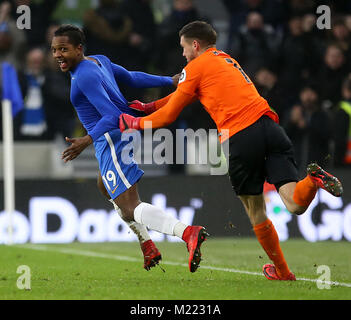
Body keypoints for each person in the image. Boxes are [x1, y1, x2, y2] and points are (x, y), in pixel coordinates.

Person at [119, 21, 343, 281]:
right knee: (294, 203)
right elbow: (184, 94)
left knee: (255, 211)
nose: (182, 54)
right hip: (271, 128)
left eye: (183, 48)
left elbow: (170, 115)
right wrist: (148, 107)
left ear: (195, 44)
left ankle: (282, 271)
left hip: (242, 136)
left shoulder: (196, 66)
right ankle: (313, 180)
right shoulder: (224, 59)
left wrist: (135, 123)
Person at [51, 24, 208, 273]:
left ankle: (187, 232)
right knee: (105, 185)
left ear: (79, 49)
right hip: (115, 135)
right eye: (55, 50)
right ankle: (147, 245)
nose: (58, 54)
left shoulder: (83, 76)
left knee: (129, 206)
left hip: (110, 139)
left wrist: (86, 140)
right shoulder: (98, 61)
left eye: (64, 49)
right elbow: (132, 77)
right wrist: (169, 80)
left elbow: (112, 114)